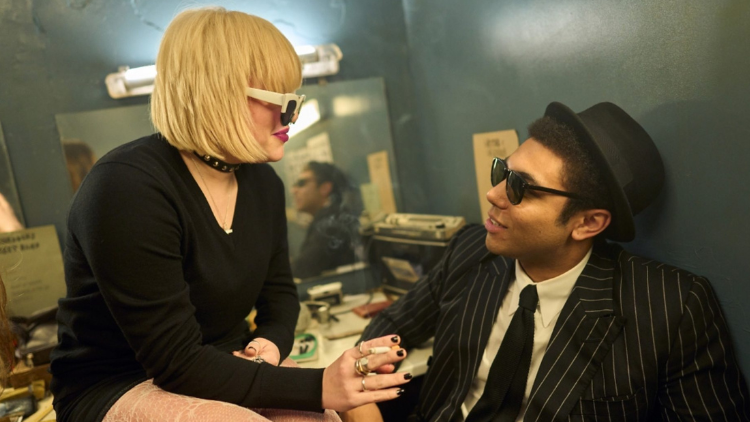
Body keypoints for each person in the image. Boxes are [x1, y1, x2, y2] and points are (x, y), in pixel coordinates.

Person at [49, 8, 410, 422]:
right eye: (282, 102)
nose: (290, 117)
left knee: (338, 415)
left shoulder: (265, 185)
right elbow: (175, 361)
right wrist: (320, 385)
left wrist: (269, 346)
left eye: (296, 102)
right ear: (218, 96)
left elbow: (279, 297)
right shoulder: (127, 188)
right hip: (118, 382)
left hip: (225, 359)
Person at [357, 101, 750, 421]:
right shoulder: (472, 248)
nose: (493, 194)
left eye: (519, 188)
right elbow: (388, 330)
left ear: (587, 223)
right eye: (502, 172)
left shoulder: (670, 306)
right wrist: (361, 399)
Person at [291, 162, 362, 278]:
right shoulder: (329, 217)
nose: (294, 190)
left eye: (301, 183)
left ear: (325, 188)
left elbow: (304, 268)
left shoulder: (331, 222)